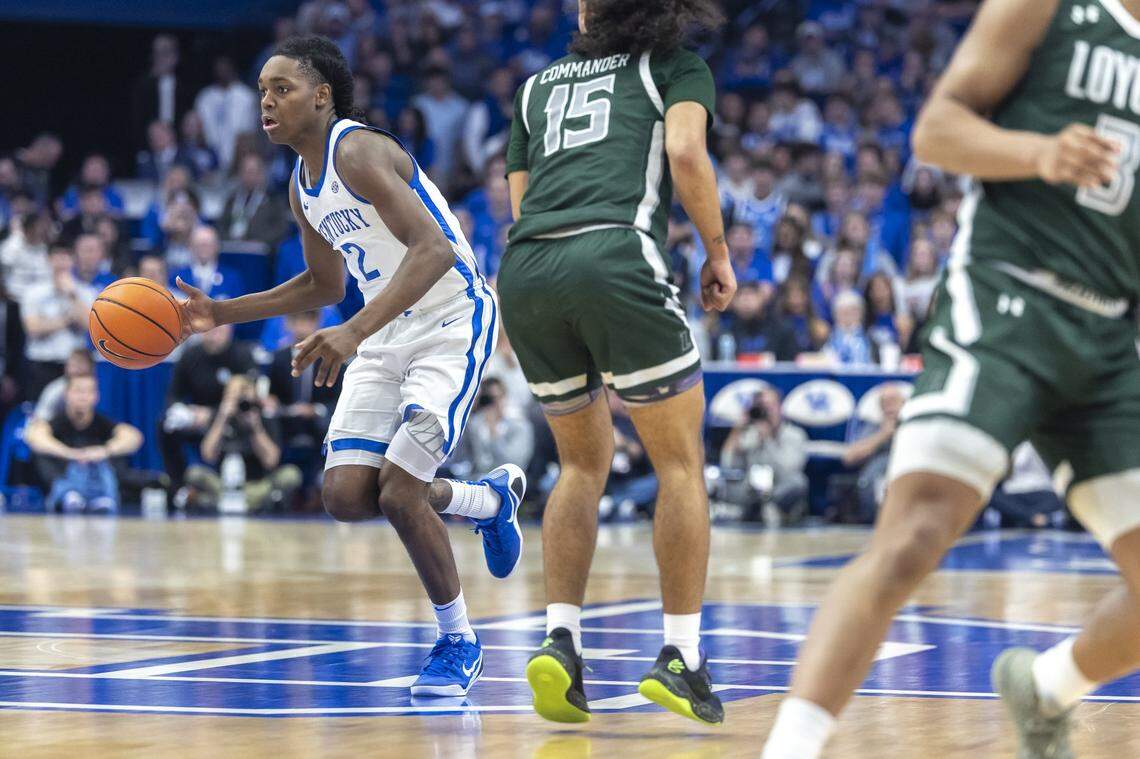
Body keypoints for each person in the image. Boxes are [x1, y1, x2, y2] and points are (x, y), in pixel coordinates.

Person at [762, 1, 1140, 756]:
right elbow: (936, 129)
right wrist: (1039, 152)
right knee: (916, 531)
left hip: (1109, 333)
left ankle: (1046, 687)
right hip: (1008, 295)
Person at [176, 35, 524, 699]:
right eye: (262, 92)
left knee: (399, 492)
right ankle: (486, 500)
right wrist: (220, 312)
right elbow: (322, 285)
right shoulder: (301, 184)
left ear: (323, 95)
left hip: (452, 321)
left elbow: (434, 252)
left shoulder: (358, 149)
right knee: (343, 495)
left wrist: (353, 332)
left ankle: (459, 639)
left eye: (282, 88)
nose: (267, 102)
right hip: (386, 327)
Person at [499, 0, 734, 725]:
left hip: (528, 265)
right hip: (616, 252)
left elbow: (522, 200)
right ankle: (681, 656)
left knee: (579, 464)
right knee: (679, 463)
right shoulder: (675, 68)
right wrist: (718, 252)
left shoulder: (535, 88)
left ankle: (561, 638)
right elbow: (687, 154)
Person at [25, 374, 143, 513]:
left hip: (98, 479)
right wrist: (70, 454)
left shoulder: (102, 422)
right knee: (42, 454)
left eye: (89, 391)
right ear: (66, 394)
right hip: (64, 476)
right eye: (78, 391)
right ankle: (68, 494)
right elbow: (34, 436)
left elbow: (134, 437)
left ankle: (101, 496)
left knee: (111, 459)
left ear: (96, 396)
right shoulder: (58, 421)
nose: (83, 396)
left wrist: (103, 451)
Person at [184, 375, 303, 512]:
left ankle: (219, 503)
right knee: (194, 473)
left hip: (257, 485)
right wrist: (222, 419)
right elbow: (208, 455)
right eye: (233, 395)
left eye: (242, 395)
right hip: (222, 484)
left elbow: (271, 461)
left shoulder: (263, 418)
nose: (238, 401)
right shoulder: (219, 417)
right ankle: (251, 505)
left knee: (291, 475)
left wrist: (255, 428)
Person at [718, 387, 809, 525]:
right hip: (752, 489)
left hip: (779, 488)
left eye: (770, 406)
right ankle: (747, 511)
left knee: (798, 482)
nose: (766, 411)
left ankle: (770, 509)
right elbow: (728, 465)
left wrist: (768, 440)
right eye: (761, 407)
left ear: (780, 407)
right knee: (724, 482)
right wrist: (736, 431)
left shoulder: (795, 434)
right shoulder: (751, 433)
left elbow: (789, 468)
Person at [20, 243, 97, 399]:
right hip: (41, 364)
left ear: (73, 260)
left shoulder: (85, 292)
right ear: (48, 259)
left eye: (66, 257)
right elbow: (33, 328)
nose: (61, 262)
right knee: (40, 415)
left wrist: (72, 294)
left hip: (75, 367)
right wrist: (68, 319)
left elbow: (90, 325)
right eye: (57, 257)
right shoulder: (33, 292)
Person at [839, 384, 905, 524]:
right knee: (870, 482)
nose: (890, 407)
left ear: (904, 403)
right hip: (875, 478)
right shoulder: (873, 427)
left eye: (893, 401)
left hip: (906, 473)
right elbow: (848, 458)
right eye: (885, 403)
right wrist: (883, 435)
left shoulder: (913, 426)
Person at [194, 56, 260, 172]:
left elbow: (248, 134)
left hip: (238, 161)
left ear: (232, 68)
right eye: (219, 68)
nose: (222, 71)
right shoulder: (204, 97)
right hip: (209, 161)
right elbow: (199, 132)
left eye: (225, 67)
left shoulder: (246, 96)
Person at [218, 154, 291, 247]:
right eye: (245, 172)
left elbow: (280, 229)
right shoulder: (232, 199)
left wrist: (259, 241)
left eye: (252, 172)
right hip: (232, 248)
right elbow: (221, 225)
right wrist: (229, 239)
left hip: (261, 252)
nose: (248, 176)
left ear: (261, 174)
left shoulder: (274, 201)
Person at [169, 225, 245, 301]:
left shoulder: (231, 278)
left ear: (217, 246)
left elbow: (239, 308)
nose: (204, 249)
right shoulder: (178, 277)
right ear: (190, 246)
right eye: (200, 244)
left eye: (208, 244)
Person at [33, 348, 95, 423]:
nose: (77, 369)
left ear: (91, 368)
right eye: (74, 365)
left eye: (81, 364)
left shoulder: (100, 388)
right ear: (67, 367)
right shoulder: (55, 389)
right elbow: (40, 420)